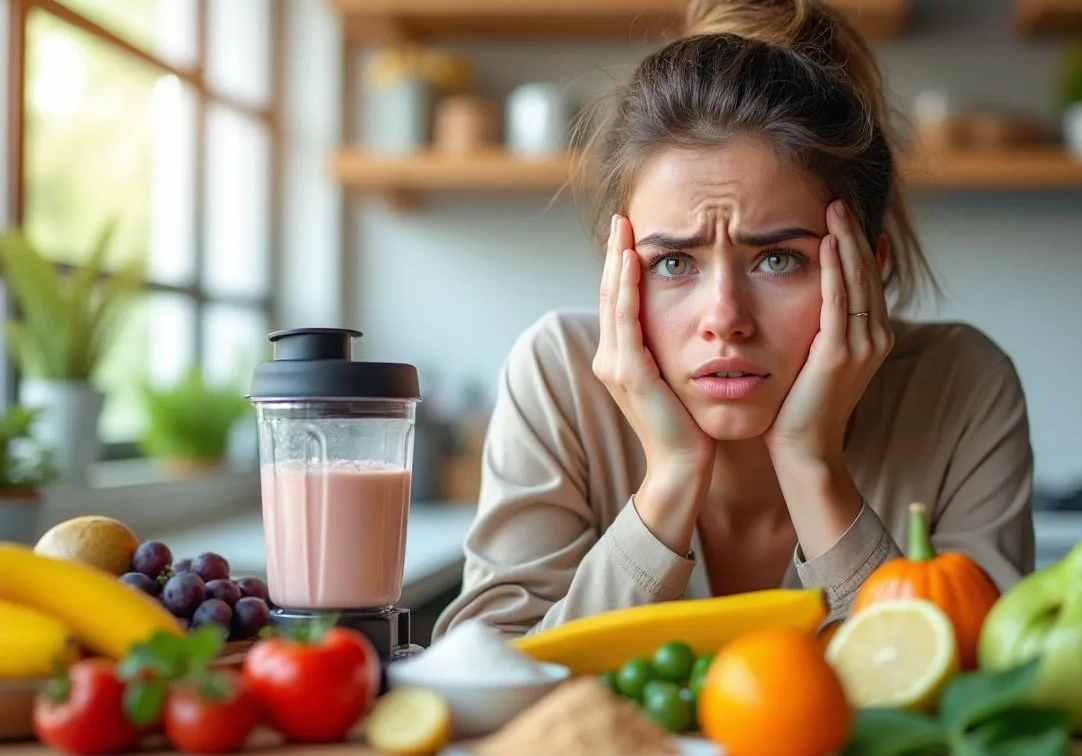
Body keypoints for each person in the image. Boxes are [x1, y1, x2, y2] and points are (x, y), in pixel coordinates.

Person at [432, 0, 1035, 641]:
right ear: (619, 273)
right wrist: (669, 483)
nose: (725, 318)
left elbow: (975, 698)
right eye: (672, 262)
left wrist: (812, 468)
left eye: (778, 258)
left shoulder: (963, 388)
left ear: (867, 269)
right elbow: (490, 681)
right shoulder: (557, 377)